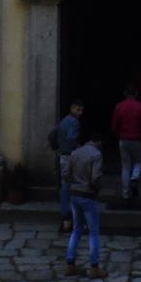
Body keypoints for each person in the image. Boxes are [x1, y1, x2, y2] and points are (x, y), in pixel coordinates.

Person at [63, 128, 105, 278]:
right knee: (93, 232)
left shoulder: (75, 153)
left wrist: (73, 184)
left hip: (74, 194)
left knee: (76, 229)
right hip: (88, 196)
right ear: (99, 142)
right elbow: (95, 178)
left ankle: (70, 264)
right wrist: (96, 190)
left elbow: (66, 174)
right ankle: (94, 267)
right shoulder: (97, 155)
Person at [111, 82, 141, 206]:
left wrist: (118, 135)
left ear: (124, 93)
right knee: (138, 162)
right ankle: (134, 178)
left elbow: (114, 126)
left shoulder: (119, 107)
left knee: (125, 166)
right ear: (136, 94)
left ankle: (125, 194)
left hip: (123, 139)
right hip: (137, 139)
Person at [52, 99, 84, 232]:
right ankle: (69, 218)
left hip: (61, 155)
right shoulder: (74, 122)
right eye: (79, 110)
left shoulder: (64, 120)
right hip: (69, 156)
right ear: (72, 108)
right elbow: (72, 139)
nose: (81, 113)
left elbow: (53, 135)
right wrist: (81, 149)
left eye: (82, 110)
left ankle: (66, 218)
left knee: (64, 186)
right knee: (69, 187)